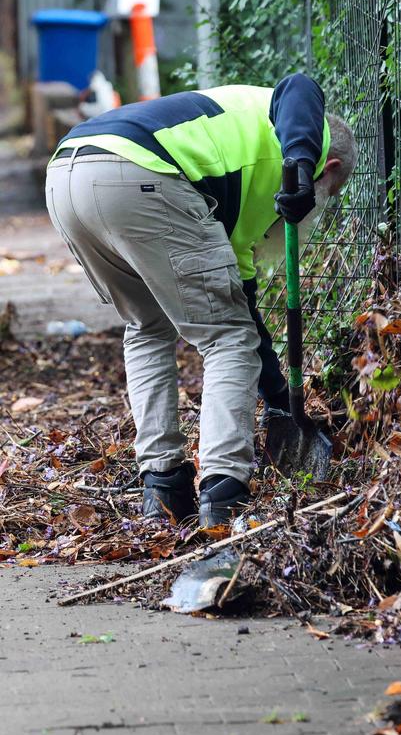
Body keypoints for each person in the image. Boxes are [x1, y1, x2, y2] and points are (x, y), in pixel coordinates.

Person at [45, 73, 358, 527]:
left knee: (149, 327)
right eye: (330, 193)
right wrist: (301, 166)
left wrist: (279, 400)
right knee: (227, 339)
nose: (319, 204)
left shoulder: (231, 184)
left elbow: (247, 309)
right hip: (140, 173)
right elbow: (300, 85)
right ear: (328, 169)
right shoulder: (299, 132)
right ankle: (225, 488)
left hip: (68, 175)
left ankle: (164, 485)